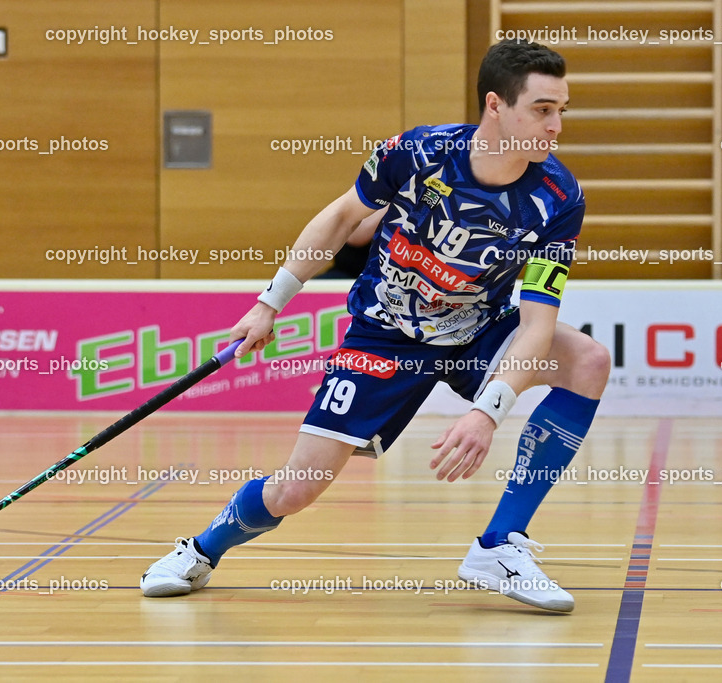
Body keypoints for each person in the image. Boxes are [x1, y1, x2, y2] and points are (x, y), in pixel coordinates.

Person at [140, 39, 610, 613]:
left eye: (562, 109)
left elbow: (538, 323)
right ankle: (200, 550)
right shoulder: (418, 154)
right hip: (385, 335)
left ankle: (498, 545)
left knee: (588, 360)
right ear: (496, 105)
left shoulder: (558, 197)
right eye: (542, 109)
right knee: (297, 490)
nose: (556, 125)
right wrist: (271, 302)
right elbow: (342, 217)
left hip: (479, 330)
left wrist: (487, 412)